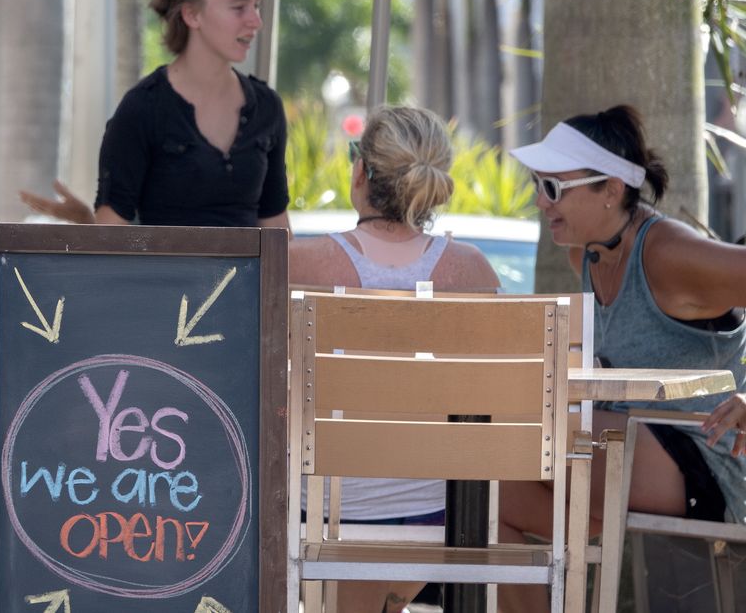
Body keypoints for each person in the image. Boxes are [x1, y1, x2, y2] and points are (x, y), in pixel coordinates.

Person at [501, 105, 746, 612]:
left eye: (553, 188)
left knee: (518, 430)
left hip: (712, 467)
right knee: (488, 497)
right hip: (636, 453)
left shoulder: (667, 255)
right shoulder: (586, 255)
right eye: (536, 184)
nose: (540, 202)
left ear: (610, 190)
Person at [287, 105, 502, 613]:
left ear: (361, 172)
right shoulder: (472, 271)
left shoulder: (301, 265)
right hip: (439, 519)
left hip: (321, 518)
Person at [20, 0, 289, 230]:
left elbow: (278, 238)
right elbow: (111, 238)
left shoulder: (267, 108)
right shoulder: (142, 109)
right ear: (191, 14)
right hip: (164, 277)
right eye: (239, 7)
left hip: (252, 278)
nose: (256, 21)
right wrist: (87, 223)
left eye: (257, 6)